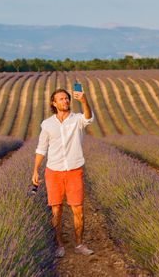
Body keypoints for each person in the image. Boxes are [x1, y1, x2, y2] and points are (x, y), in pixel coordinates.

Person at [32, 87, 95, 258]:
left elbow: (89, 119)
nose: (65, 101)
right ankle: (59, 245)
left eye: (67, 98)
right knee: (56, 210)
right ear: (54, 103)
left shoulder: (77, 120)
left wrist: (84, 101)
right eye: (61, 99)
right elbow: (41, 148)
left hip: (74, 170)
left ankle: (79, 244)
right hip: (54, 171)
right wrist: (36, 170)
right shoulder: (47, 124)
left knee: (78, 210)